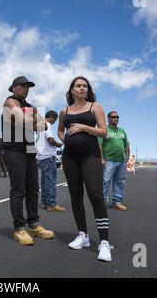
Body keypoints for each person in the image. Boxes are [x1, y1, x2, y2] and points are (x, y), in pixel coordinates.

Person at [57, 76, 113, 262]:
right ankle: (83, 236)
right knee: (75, 195)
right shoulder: (64, 111)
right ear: (72, 90)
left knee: (96, 195)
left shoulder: (95, 107)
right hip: (70, 156)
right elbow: (59, 130)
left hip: (91, 155)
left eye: (85, 86)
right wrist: (67, 140)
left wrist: (83, 127)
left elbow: (104, 131)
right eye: (78, 86)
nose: (82, 88)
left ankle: (104, 242)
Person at [2, 76, 54, 246]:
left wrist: (35, 123)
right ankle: (19, 229)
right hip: (14, 150)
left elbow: (44, 125)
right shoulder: (10, 102)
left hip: (30, 149)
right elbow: (23, 120)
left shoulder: (30, 106)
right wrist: (35, 123)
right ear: (14, 88)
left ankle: (33, 224)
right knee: (18, 190)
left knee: (33, 189)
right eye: (23, 86)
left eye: (28, 86)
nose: (26, 89)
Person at [98, 111, 130, 211]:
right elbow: (99, 145)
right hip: (109, 161)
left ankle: (117, 202)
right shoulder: (104, 130)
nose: (116, 119)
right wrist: (102, 159)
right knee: (105, 181)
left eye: (117, 117)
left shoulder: (122, 131)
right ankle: (101, 202)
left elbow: (126, 144)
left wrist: (127, 156)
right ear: (108, 118)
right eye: (113, 117)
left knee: (120, 182)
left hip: (121, 161)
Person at [36, 110, 65, 212]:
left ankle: (44, 202)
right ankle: (51, 204)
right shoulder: (47, 124)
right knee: (51, 181)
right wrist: (58, 144)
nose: (54, 122)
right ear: (52, 117)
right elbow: (51, 140)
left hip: (41, 156)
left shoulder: (39, 126)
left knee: (44, 181)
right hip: (49, 156)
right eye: (55, 120)